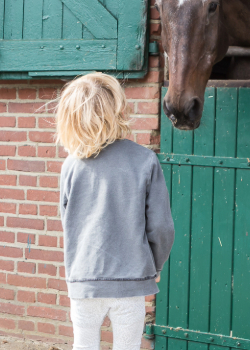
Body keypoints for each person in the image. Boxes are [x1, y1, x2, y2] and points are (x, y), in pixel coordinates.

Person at [54, 73, 175, 350]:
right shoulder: (145, 160)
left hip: (84, 280)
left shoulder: (71, 165)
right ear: (118, 110)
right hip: (131, 281)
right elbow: (161, 228)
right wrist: (155, 266)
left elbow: (67, 220)